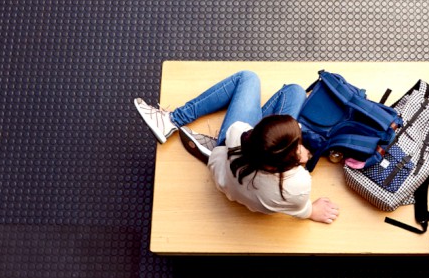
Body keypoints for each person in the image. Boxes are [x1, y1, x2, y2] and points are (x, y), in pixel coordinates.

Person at [134, 71, 341, 223]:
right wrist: (311, 211)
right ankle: (182, 128)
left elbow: (243, 130)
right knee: (286, 90)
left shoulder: (237, 135)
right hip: (251, 184)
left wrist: (279, 138)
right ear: (291, 162)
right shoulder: (298, 184)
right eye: (298, 146)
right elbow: (299, 206)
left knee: (260, 82)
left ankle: (173, 120)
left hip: (230, 161)